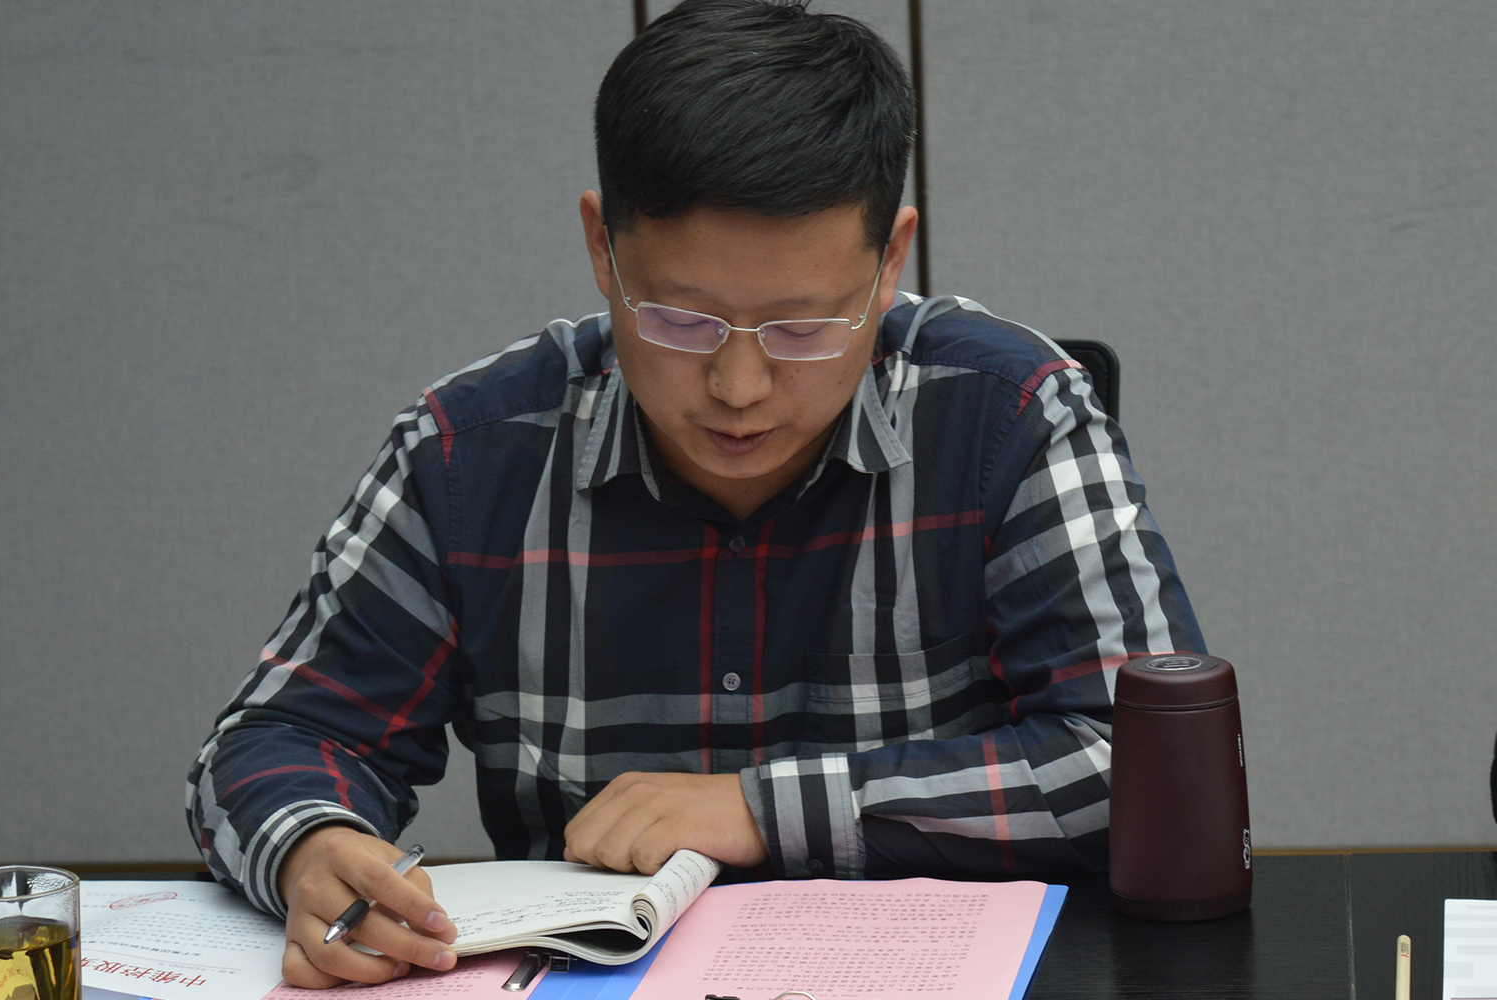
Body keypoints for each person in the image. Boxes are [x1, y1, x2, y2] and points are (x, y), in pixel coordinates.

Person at [187, 0, 1204, 988]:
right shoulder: (471, 457)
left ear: (890, 259)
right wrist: (311, 845)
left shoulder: (1006, 416)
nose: (739, 386)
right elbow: (282, 736)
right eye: (681, 321)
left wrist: (764, 810)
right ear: (602, 247)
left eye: (803, 329)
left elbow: (1147, 768)